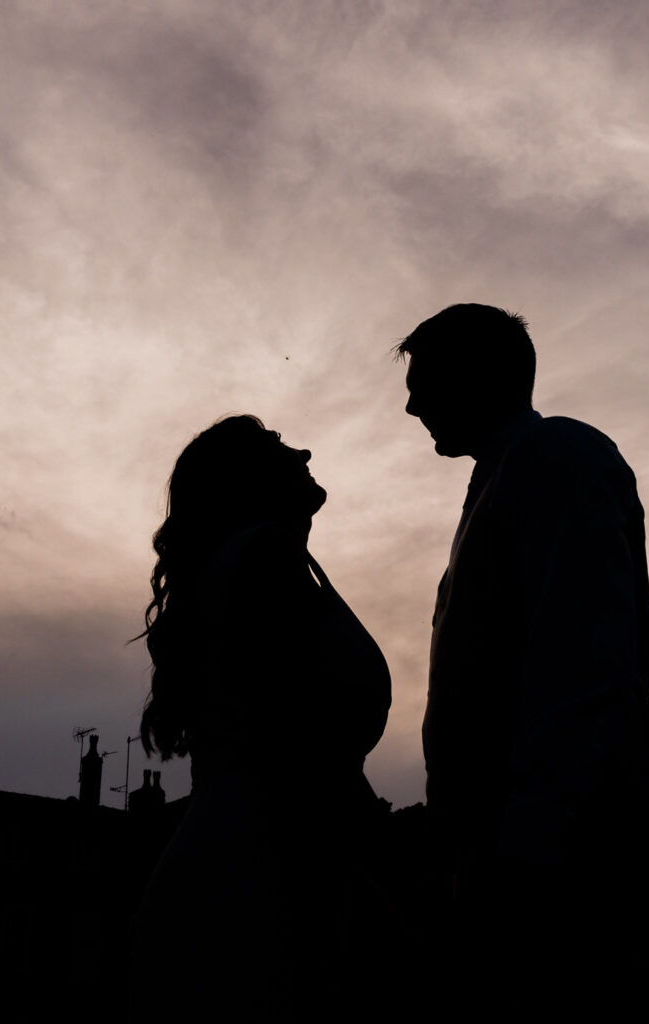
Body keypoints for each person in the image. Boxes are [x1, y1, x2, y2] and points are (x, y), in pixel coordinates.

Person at [398, 303, 649, 1016]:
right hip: (522, 852)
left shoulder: (555, 456)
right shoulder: (511, 476)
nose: (411, 405)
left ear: (480, 377)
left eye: (424, 381)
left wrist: (531, 846)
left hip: (572, 864)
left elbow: (584, 658)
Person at [130, 414, 392, 1019]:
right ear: (247, 479)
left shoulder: (260, 561)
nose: (303, 448)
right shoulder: (264, 556)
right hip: (262, 875)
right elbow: (298, 738)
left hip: (257, 859)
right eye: (279, 448)